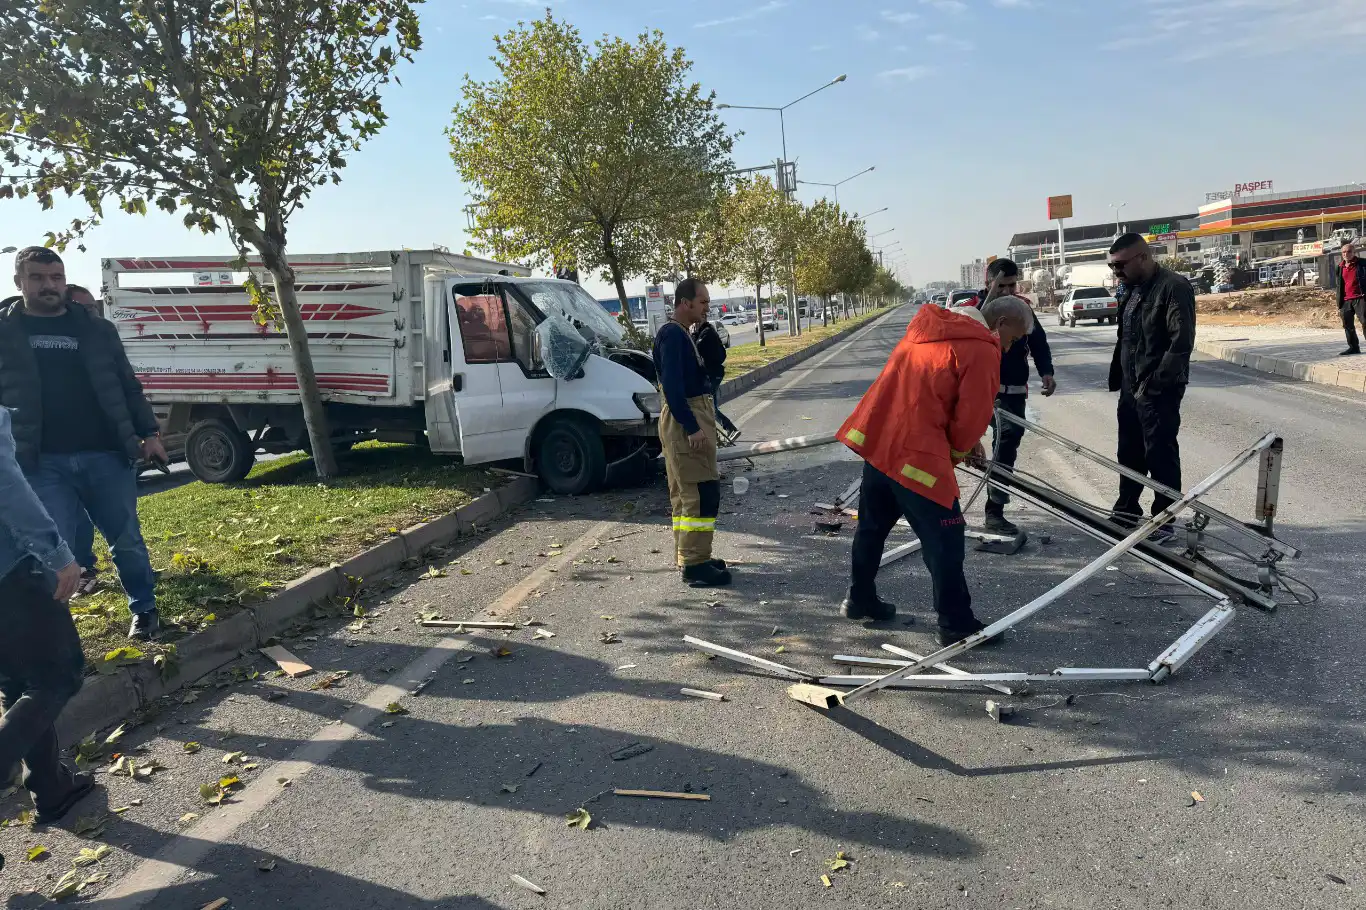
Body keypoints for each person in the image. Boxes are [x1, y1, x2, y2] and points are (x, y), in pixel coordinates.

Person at [838, 297, 1035, 645]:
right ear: (1000, 323)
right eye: (1015, 338)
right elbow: (971, 417)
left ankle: (860, 598)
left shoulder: (924, 331)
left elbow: (924, 393)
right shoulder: (981, 348)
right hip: (918, 459)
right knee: (945, 539)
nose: (1011, 346)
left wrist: (962, 443)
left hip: (881, 447)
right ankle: (956, 622)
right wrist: (961, 450)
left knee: (871, 529)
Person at [0, 247, 168, 640]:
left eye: (56, 277)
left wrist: (150, 435)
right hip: (39, 461)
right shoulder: (4, 332)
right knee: (52, 550)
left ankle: (144, 610)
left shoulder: (95, 328)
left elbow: (128, 386)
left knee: (125, 538)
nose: (48, 285)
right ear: (19, 282)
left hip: (105, 454)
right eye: (38, 277)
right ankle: (61, 631)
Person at [0, 406, 97, 872]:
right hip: (6, 575)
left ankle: (52, 787)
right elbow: (7, 486)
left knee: (20, 679)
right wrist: (58, 554)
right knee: (60, 673)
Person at [1106, 233, 1197, 539]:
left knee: (1159, 452)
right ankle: (1127, 509)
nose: (1116, 272)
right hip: (1131, 387)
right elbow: (1126, 338)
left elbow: (1181, 343)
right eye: (1112, 267)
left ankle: (1164, 518)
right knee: (1129, 451)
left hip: (1159, 387)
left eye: (1120, 265)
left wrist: (1156, 384)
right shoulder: (1128, 289)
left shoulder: (1174, 287)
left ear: (1142, 257)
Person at [652, 278, 730, 588]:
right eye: (703, 303)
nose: (707, 309)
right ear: (686, 303)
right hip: (687, 417)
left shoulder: (682, 334)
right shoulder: (673, 335)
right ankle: (695, 565)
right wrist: (693, 427)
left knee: (687, 494)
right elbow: (672, 387)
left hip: (689, 413)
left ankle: (692, 555)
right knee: (699, 493)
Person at [970, 259, 1056, 537]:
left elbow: (1038, 342)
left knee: (1004, 449)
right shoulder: (973, 311)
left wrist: (1046, 372)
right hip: (978, 392)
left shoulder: (1021, 309)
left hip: (1012, 394)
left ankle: (994, 511)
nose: (1007, 291)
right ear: (988, 283)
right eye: (1001, 285)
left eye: (1012, 285)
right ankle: (942, 511)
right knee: (958, 446)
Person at [691, 315, 740, 446]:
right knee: (711, 405)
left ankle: (729, 429)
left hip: (712, 374)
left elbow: (695, 348)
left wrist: (693, 334)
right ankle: (720, 434)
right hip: (714, 373)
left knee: (709, 406)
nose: (694, 324)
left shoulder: (707, 333)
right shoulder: (706, 331)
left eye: (697, 321)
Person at [1335, 239, 1366, 356]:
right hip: (1346, 300)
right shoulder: (1340, 267)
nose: (1346, 254)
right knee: (1348, 325)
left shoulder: (1363, 263)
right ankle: (1353, 347)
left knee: (1365, 322)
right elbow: (1339, 285)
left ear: (1354, 252)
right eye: (1343, 252)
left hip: (1361, 298)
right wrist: (1339, 301)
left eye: (1348, 252)